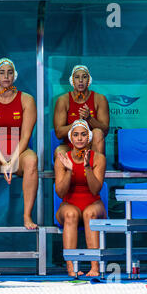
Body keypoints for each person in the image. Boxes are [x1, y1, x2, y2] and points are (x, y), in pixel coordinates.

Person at [0, 58, 38, 230]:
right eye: (2, 72)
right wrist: (4, 161)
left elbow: (26, 136)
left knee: (32, 160)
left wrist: (12, 160)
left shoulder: (27, 100)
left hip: (20, 151)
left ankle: (27, 216)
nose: (6, 76)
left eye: (9, 72)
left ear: (15, 75)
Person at [54, 119, 107, 277]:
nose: (79, 138)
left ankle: (94, 267)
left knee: (89, 214)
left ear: (88, 138)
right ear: (71, 138)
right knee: (71, 214)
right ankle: (71, 268)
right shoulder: (62, 159)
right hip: (69, 203)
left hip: (93, 202)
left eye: (83, 134)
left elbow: (95, 189)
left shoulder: (98, 159)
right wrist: (69, 171)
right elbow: (60, 193)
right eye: (76, 135)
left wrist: (87, 168)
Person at [53, 65, 109, 159]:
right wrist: (78, 123)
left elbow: (105, 130)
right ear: (72, 81)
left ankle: (95, 171)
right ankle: (67, 174)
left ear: (89, 80)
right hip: (70, 146)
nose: (80, 80)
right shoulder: (63, 100)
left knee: (98, 133)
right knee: (60, 152)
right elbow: (59, 133)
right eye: (77, 77)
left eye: (84, 77)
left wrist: (89, 119)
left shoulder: (100, 99)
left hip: (91, 146)